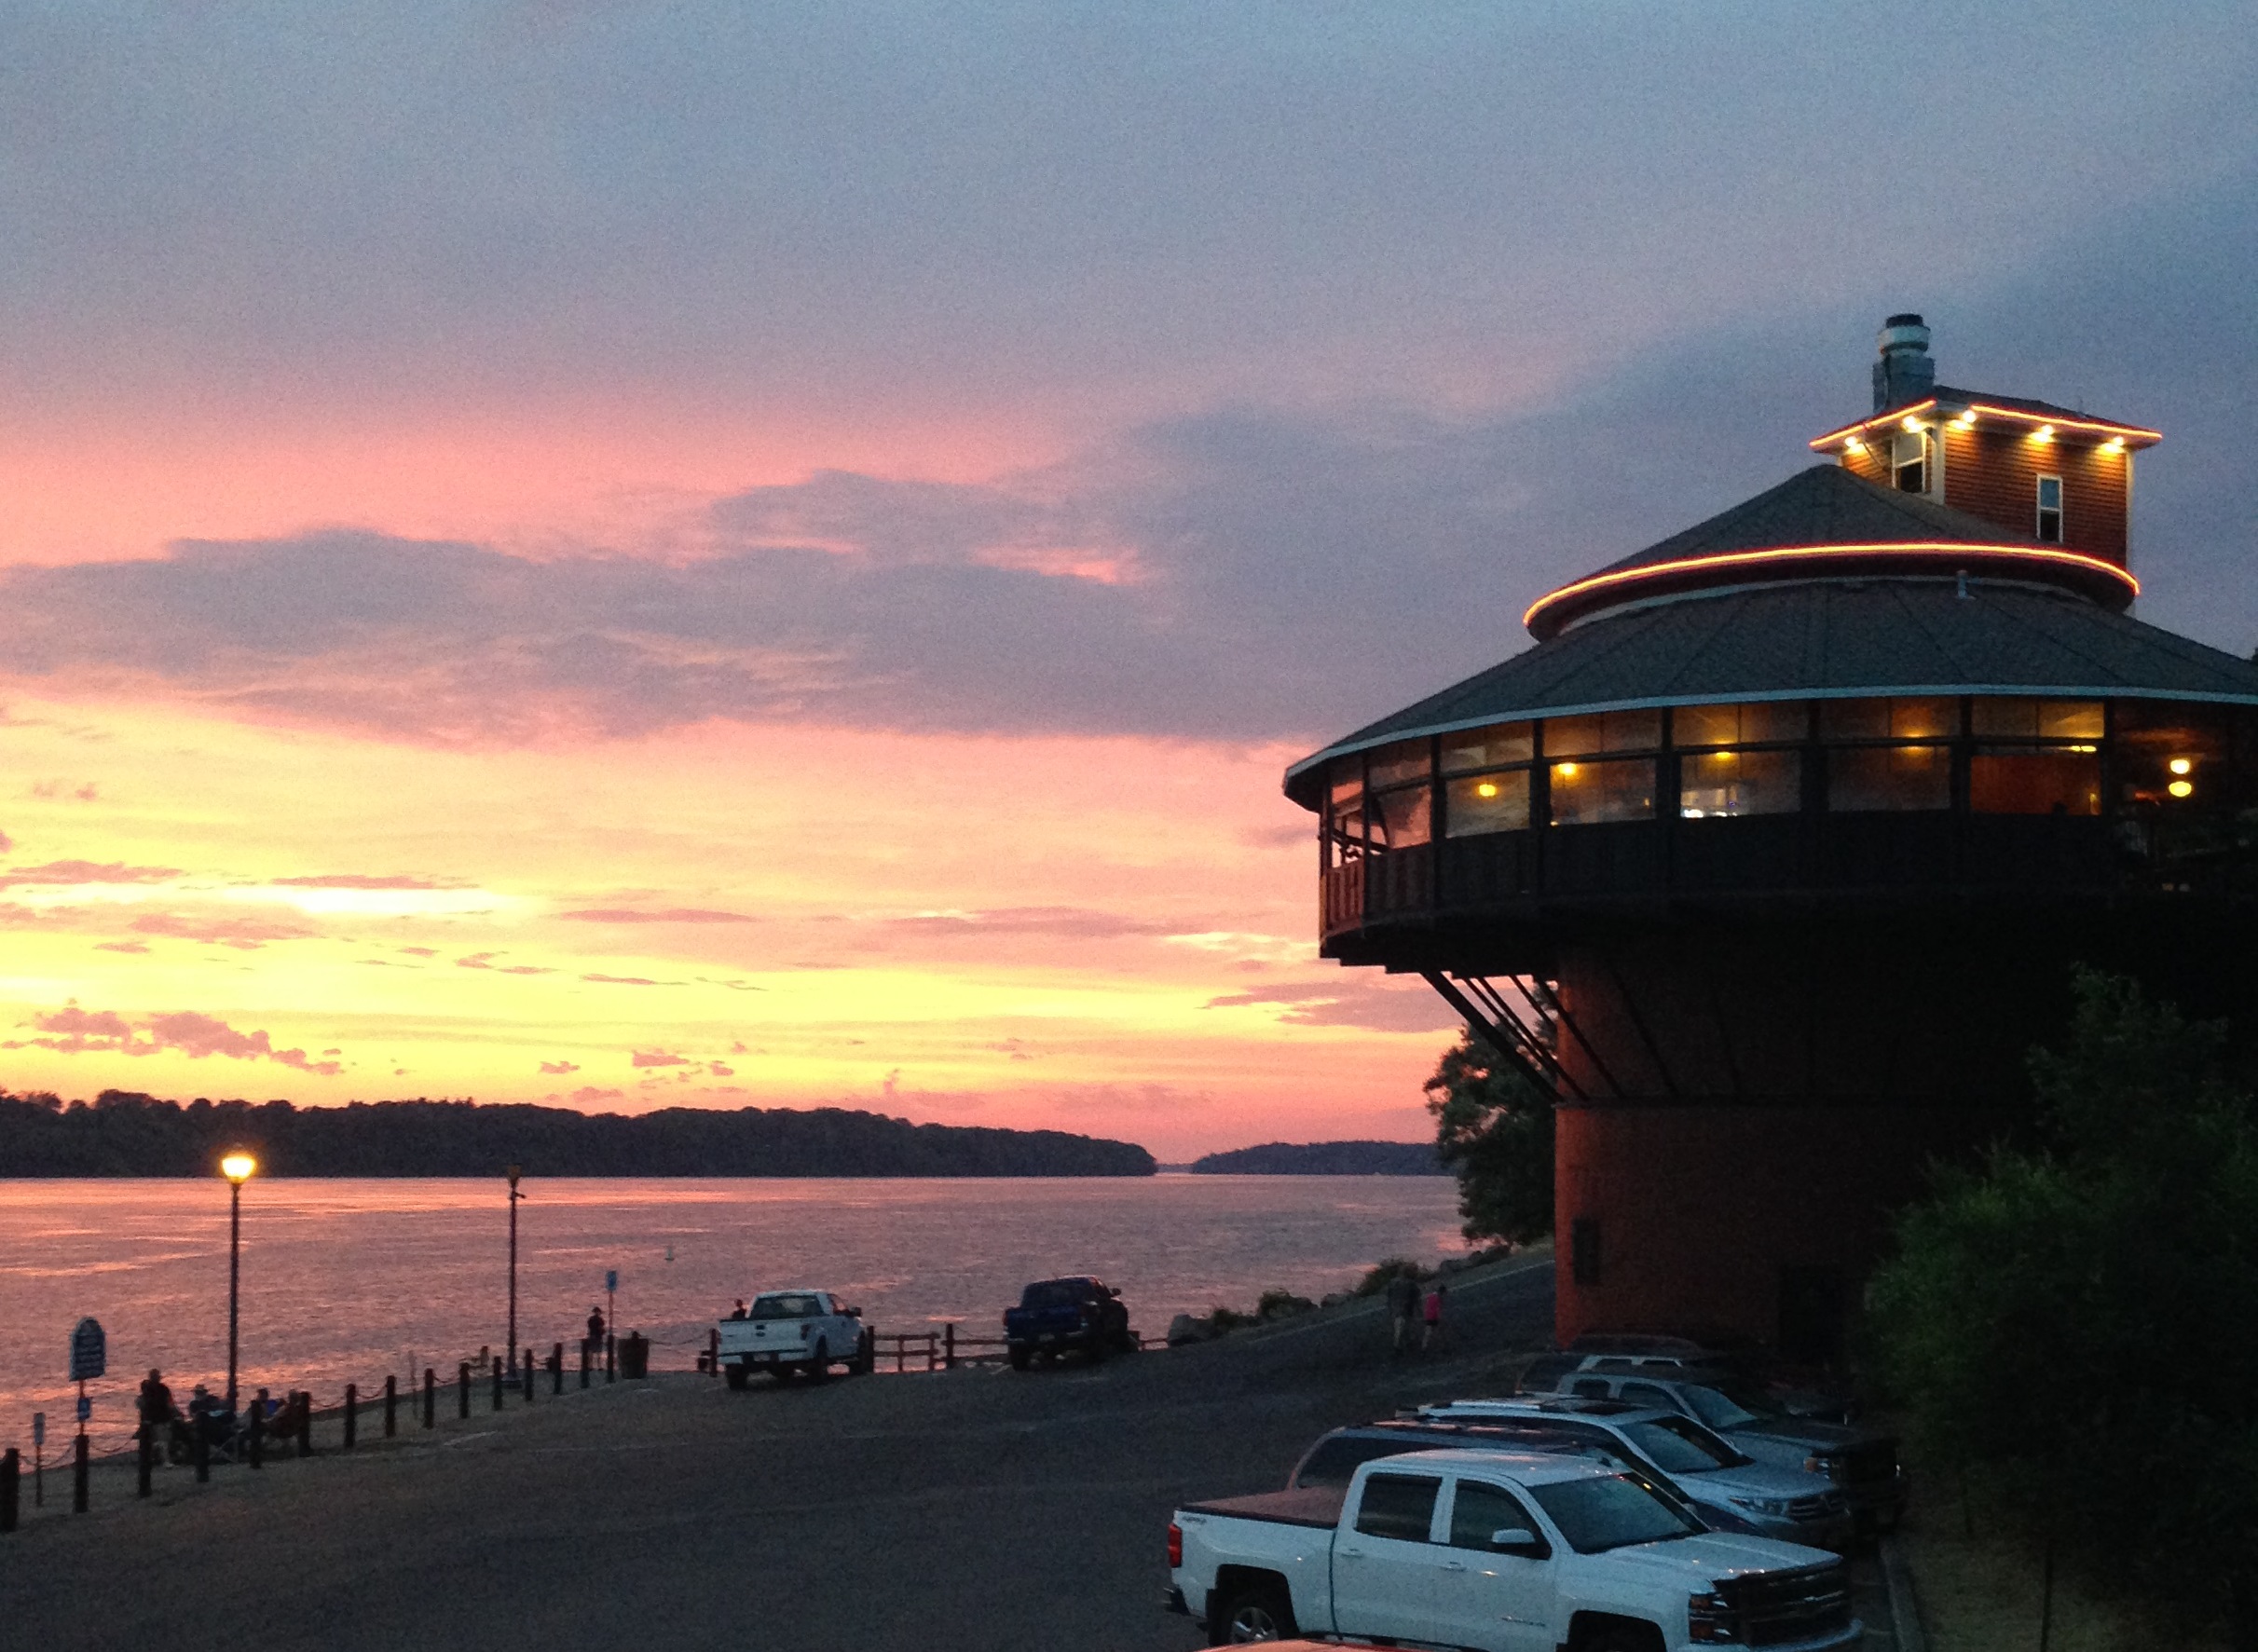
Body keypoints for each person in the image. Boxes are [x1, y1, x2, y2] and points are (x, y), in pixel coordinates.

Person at [1385, 1271, 1420, 1356]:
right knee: (1406, 1325)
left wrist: (1390, 1306)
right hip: (1406, 1308)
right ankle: (1402, 1344)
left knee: (1399, 1326)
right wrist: (1419, 1310)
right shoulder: (1412, 1284)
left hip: (1396, 1307)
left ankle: (1399, 1344)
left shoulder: (1393, 1282)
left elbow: (1389, 1295)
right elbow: (1416, 1298)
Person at [1422, 1283, 1448, 1353]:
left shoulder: (1430, 1296)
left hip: (1428, 1315)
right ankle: (1443, 1347)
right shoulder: (1438, 1298)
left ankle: (1424, 1347)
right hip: (1434, 1316)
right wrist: (1440, 1318)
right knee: (1439, 1332)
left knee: (1428, 1333)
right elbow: (1438, 1309)